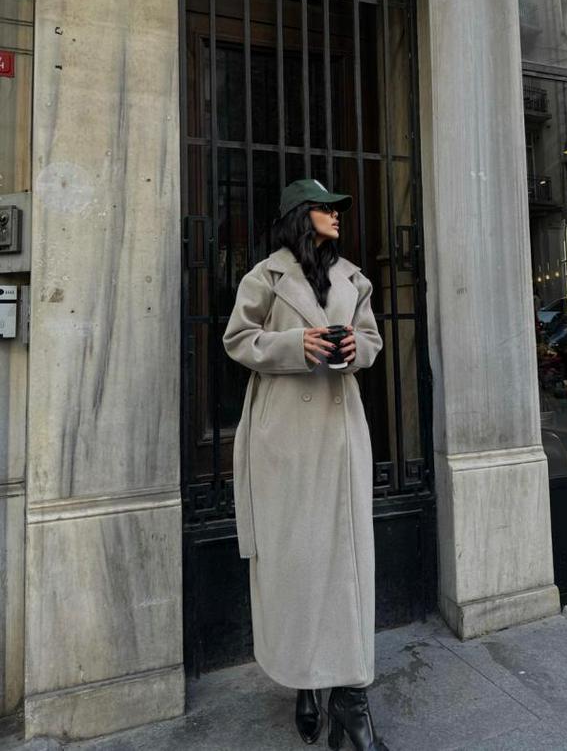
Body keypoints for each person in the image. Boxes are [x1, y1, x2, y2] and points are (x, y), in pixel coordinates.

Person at [222, 179, 388, 750]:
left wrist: (354, 350)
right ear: (300, 215)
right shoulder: (265, 276)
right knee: (297, 561)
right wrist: (296, 345)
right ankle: (304, 680)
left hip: (340, 435)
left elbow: (371, 339)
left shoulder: (353, 278)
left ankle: (350, 698)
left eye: (338, 209)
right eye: (325, 209)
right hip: (286, 439)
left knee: (345, 562)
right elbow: (238, 339)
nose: (337, 216)